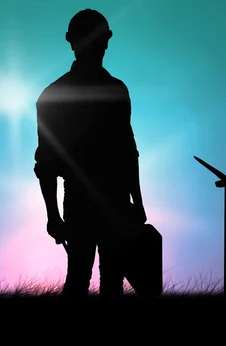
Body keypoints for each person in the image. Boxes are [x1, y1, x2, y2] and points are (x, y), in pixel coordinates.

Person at [34, 9, 146, 299]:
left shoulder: (115, 90)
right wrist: (52, 215)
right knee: (83, 280)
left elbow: (128, 149)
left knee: (108, 283)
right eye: (95, 39)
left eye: (102, 39)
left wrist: (137, 201)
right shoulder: (54, 96)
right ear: (74, 42)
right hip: (86, 202)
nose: (101, 46)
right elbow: (46, 162)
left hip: (110, 203)